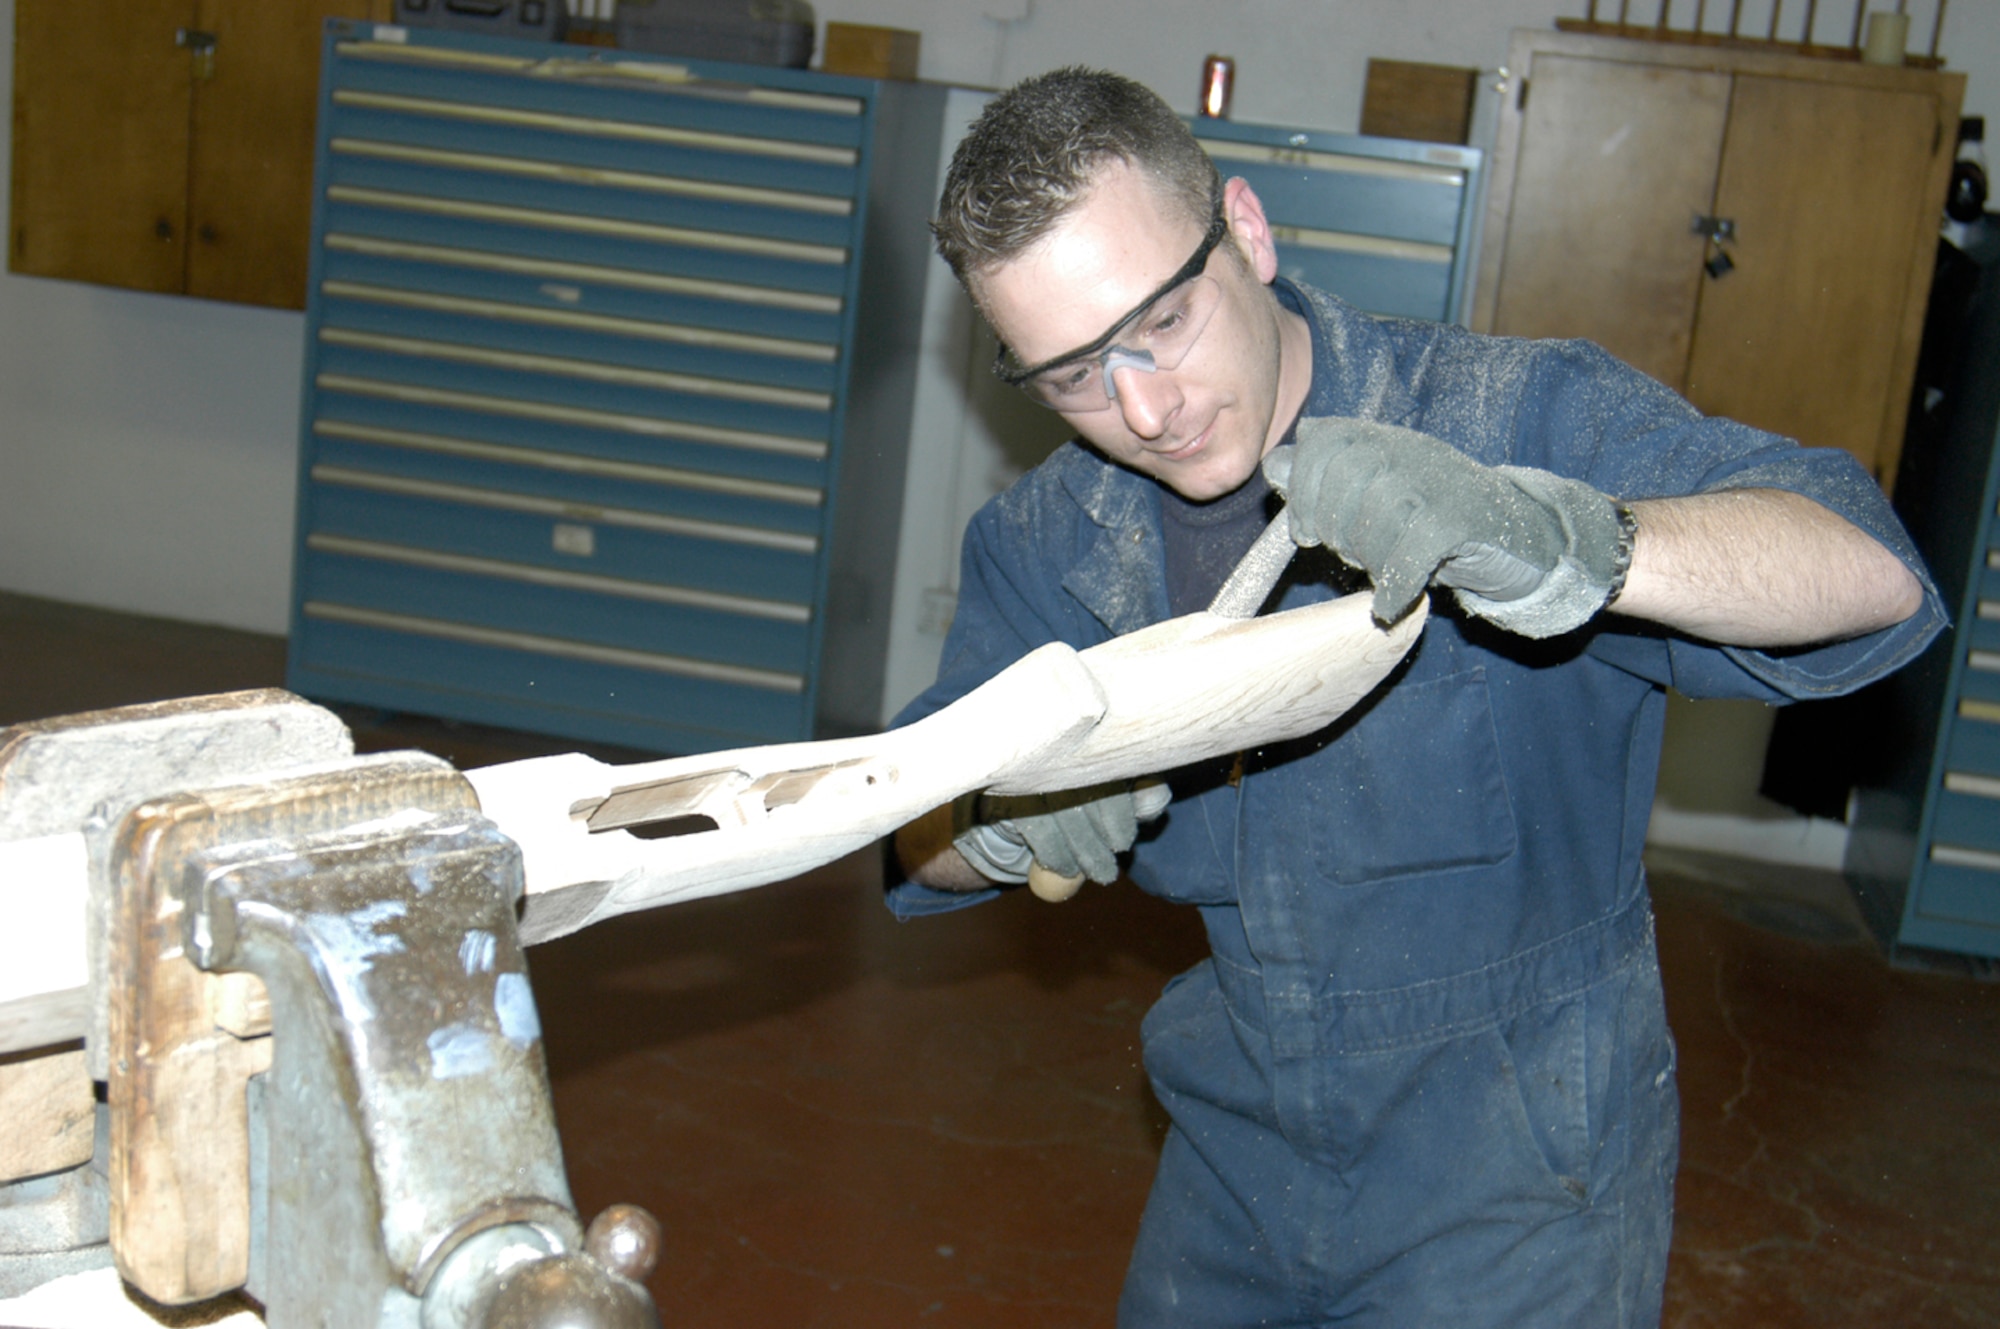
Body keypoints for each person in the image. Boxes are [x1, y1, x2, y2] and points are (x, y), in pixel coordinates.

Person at [888, 67, 1942, 1328]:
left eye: (1158, 326)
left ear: (1247, 230)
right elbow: (903, 822)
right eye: (1067, 376)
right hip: (1235, 1159)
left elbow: (1869, 571)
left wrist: (1563, 544)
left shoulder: (1510, 414)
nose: (1143, 409)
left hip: (1518, 1180)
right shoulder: (1054, 538)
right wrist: (995, 819)